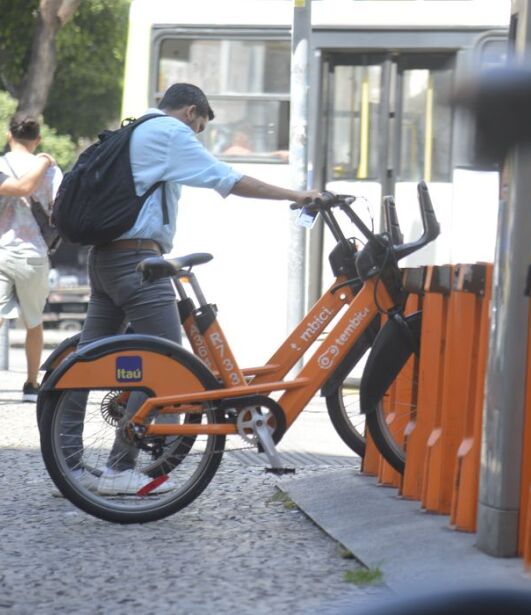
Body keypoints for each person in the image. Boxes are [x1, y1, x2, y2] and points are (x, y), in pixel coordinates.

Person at [59, 83, 320, 495]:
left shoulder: (136, 128)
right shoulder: (169, 131)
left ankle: (67, 467)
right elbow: (226, 179)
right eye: (198, 126)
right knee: (166, 363)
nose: (195, 134)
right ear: (191, 112)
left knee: (86, 363)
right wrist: (295, 195)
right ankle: (118, 468)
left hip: (106, 259)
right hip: (137, 263)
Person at [0, 115, 61, 402]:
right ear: (37, 139)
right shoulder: (50, 170)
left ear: (9, 135)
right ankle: (31, 384)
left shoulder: (1, 165)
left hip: (0, 251)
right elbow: (58, 209)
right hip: (34, 253)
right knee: (34, 323)